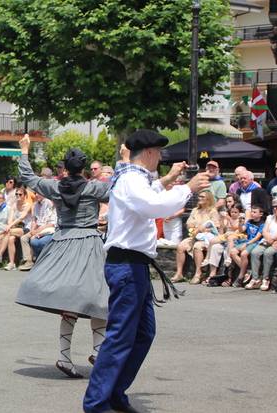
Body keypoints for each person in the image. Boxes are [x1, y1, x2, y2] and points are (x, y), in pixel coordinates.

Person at [84, 130, 209, 413]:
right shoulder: (130, 179)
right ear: (150, 153)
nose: (162, 158)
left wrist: (174, 182)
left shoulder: (133, 178)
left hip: (133, 265)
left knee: (141, 334)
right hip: (127, 265)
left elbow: (150, 197)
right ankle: (97, 401)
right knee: (121, 336)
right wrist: (187, 188)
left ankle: (113, 392)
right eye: (159, 153)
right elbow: (152, 205)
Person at [16, 136, 111, 379]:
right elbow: (120, 190)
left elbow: (29, 178)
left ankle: (64, 356)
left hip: (62, 242)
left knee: (69, 304)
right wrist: (123, 161)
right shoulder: (94, 188)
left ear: (65, 168)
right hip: (89, 242)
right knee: (98, 299)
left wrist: (24, 152)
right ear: (85, 167)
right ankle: (99, 351)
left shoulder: (55, 187)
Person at [170, 190, 221, 284]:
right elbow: (189, 224)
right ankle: (179, 273)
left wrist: (201, 229)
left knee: (197, 246)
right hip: (195, 235)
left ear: (208, 199)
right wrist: (198, 228)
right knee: (180, 246)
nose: (199, 198)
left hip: (207, 238)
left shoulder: (212, 211)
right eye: (199, 196)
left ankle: (198, 273)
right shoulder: (195, 210)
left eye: (202, 197)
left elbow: (215, 226)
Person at [248, 197, 277, 291]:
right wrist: (272, 241)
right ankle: (255, 278)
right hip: (268, 241)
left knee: (268, 253)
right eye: (274, 207)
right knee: (255, 252)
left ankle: (266, 278)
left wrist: (273, 239)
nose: (275, 209)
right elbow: (264, 231)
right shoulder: (270, 217)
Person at [229, 205, 265, 287]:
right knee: (232, 252)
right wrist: (240, 224)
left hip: (255, 243)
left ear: (261, 214)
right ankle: (247, 270)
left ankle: (241, 276)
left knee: (243, 254)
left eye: (255, 212)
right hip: (247, 241)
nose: (252, 213)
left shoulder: (262, 224)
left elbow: (257, 237)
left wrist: (247, 244)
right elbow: (242, 230)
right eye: (252, 212)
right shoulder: (249, 221)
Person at [4, 186, 33, 271]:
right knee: (10, 239)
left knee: (8, 233)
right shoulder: (14, 205)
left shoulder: (28, 205)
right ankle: (12, 263)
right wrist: (9, 225)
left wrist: (9, 227)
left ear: (25, 195)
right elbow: (11, 218)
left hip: (26, 228)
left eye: (20, 194)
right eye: (16, 194)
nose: (18, 196)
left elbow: (21, 218)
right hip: (16, 228)